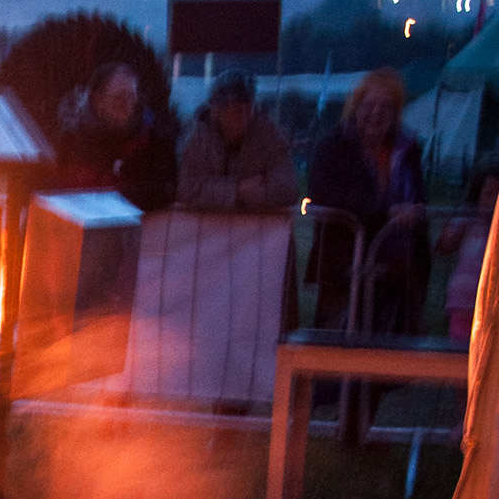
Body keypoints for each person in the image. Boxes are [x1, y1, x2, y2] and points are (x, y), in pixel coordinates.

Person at [306, 67, 429, 335]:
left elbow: (419, 199)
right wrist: (386, 213)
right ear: (356, 105)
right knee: (338, 354)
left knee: (390, 358)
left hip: (399, 272)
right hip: (345, 267)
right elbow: (325, 194)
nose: (376, 113)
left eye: (386, 107)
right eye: (369, 104)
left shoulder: (408, 151)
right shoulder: (334, 147)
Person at [54, 62, 177, 211]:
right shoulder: (74, 141)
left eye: (132, 97)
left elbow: (165, 192)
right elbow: (63, 193)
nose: (128, 106)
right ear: (98, 101)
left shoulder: (152, 143)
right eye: (119, 98)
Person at [177, 69, 299, 212]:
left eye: (248, 106)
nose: (243, 115)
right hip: (206, 232)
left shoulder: (271, 137)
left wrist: (216, 191)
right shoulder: (196, 139)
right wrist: (237, 189)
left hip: (260, 232)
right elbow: (186, 190)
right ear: (216, 109)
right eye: (234, 108)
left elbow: (288, 190)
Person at [436, 156, 499, 342]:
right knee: (458, 356)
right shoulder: (467, 219)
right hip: (463, 302)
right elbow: (444, 246)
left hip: (493, 307)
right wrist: (454, 228)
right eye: (489, 193)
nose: (494, 201)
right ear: (477, 193)